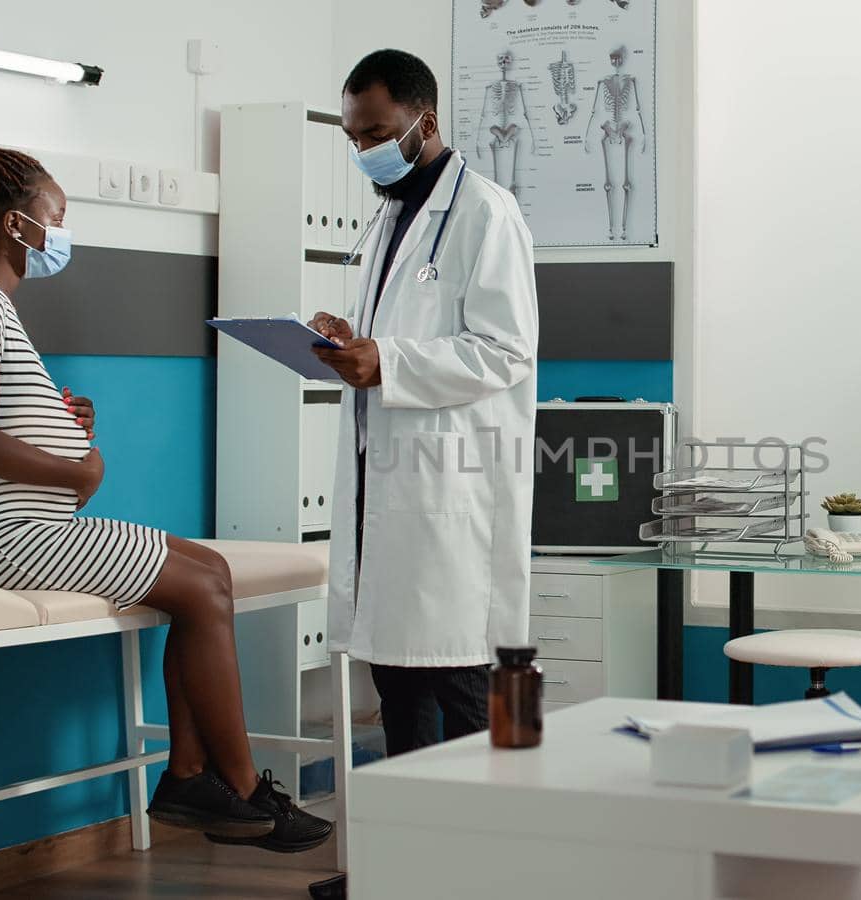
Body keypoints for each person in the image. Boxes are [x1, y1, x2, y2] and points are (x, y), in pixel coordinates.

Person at [0, 141, 330, 854]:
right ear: (17, 224)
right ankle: (246, 789)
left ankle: (194, 776)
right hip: (1, 534)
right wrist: (78, 473)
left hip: (12, 526)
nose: (63, 232)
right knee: (203, 590)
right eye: (56, 216)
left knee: (208, 576)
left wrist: (61, 424)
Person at [309, 49, 539, 758]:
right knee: (397, 686)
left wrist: (389, 360)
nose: (363, 150)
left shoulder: (485, 213)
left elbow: (507, 350)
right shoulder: (391, 214)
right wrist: (354, 343)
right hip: (391, 484)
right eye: (353, 137)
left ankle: (502, 858)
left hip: (456, 492)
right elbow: (400, 337)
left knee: (473, 692)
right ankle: (402, 862)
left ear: (424, 121)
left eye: (375, 134)